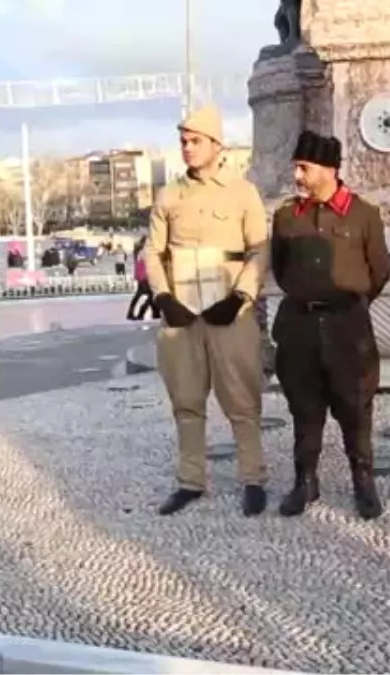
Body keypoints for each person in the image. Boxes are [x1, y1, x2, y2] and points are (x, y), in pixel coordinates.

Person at [142, 105, 272, 517]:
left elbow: (260, 248)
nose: (187, 147)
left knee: (242, 399)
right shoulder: (169, 194)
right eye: (183, 140)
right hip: (182, 313)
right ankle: (190, 481)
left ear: (217, 145)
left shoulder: (242, 192)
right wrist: (162, 296)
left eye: (195, 140)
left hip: (228, 313)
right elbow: (153, 250)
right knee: (186, 400)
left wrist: (241, 297)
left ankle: (253, 478)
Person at [270, 130, 390, 520]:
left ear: (329, 169)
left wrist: (347, 304)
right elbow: (281, 268)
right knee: (304, 407)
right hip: (299, 328)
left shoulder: (364, 214)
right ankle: (305, 480)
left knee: (355, 407)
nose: (298, 176)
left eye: (304, 168)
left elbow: (379, 271)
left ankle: (363, 481)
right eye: (296, 168)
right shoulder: (287, 216)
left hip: (346, 329)